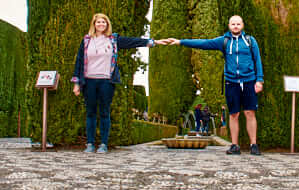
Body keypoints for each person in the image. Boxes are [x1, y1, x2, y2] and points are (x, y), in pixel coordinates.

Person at [164, 15, 264, 155]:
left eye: (238, 24)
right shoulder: (224, 41)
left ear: (242, 25)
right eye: (233, 24)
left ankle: (254, 144)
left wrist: (259, 80)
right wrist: (180, 42)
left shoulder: (250, 41)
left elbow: (257, 60)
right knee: (233, 114)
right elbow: (203, 43)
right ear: (229, 26)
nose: (235, 26)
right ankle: (234, 145)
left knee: (250, 113)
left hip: (248, 81)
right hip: (231, 82)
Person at [72, 13, 165, 153]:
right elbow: (79, 61)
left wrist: (151, 42)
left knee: (104, 112)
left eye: (104, 22)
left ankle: (104, 144)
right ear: (94, 24)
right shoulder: (86, 41)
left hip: (106, 81)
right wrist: (77, 83)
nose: (101, 24)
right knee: (90, 113)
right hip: (89, 81)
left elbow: (131, 42)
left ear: (107, 24)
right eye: (98, 22)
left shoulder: (113, 40)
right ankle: (90, 144)